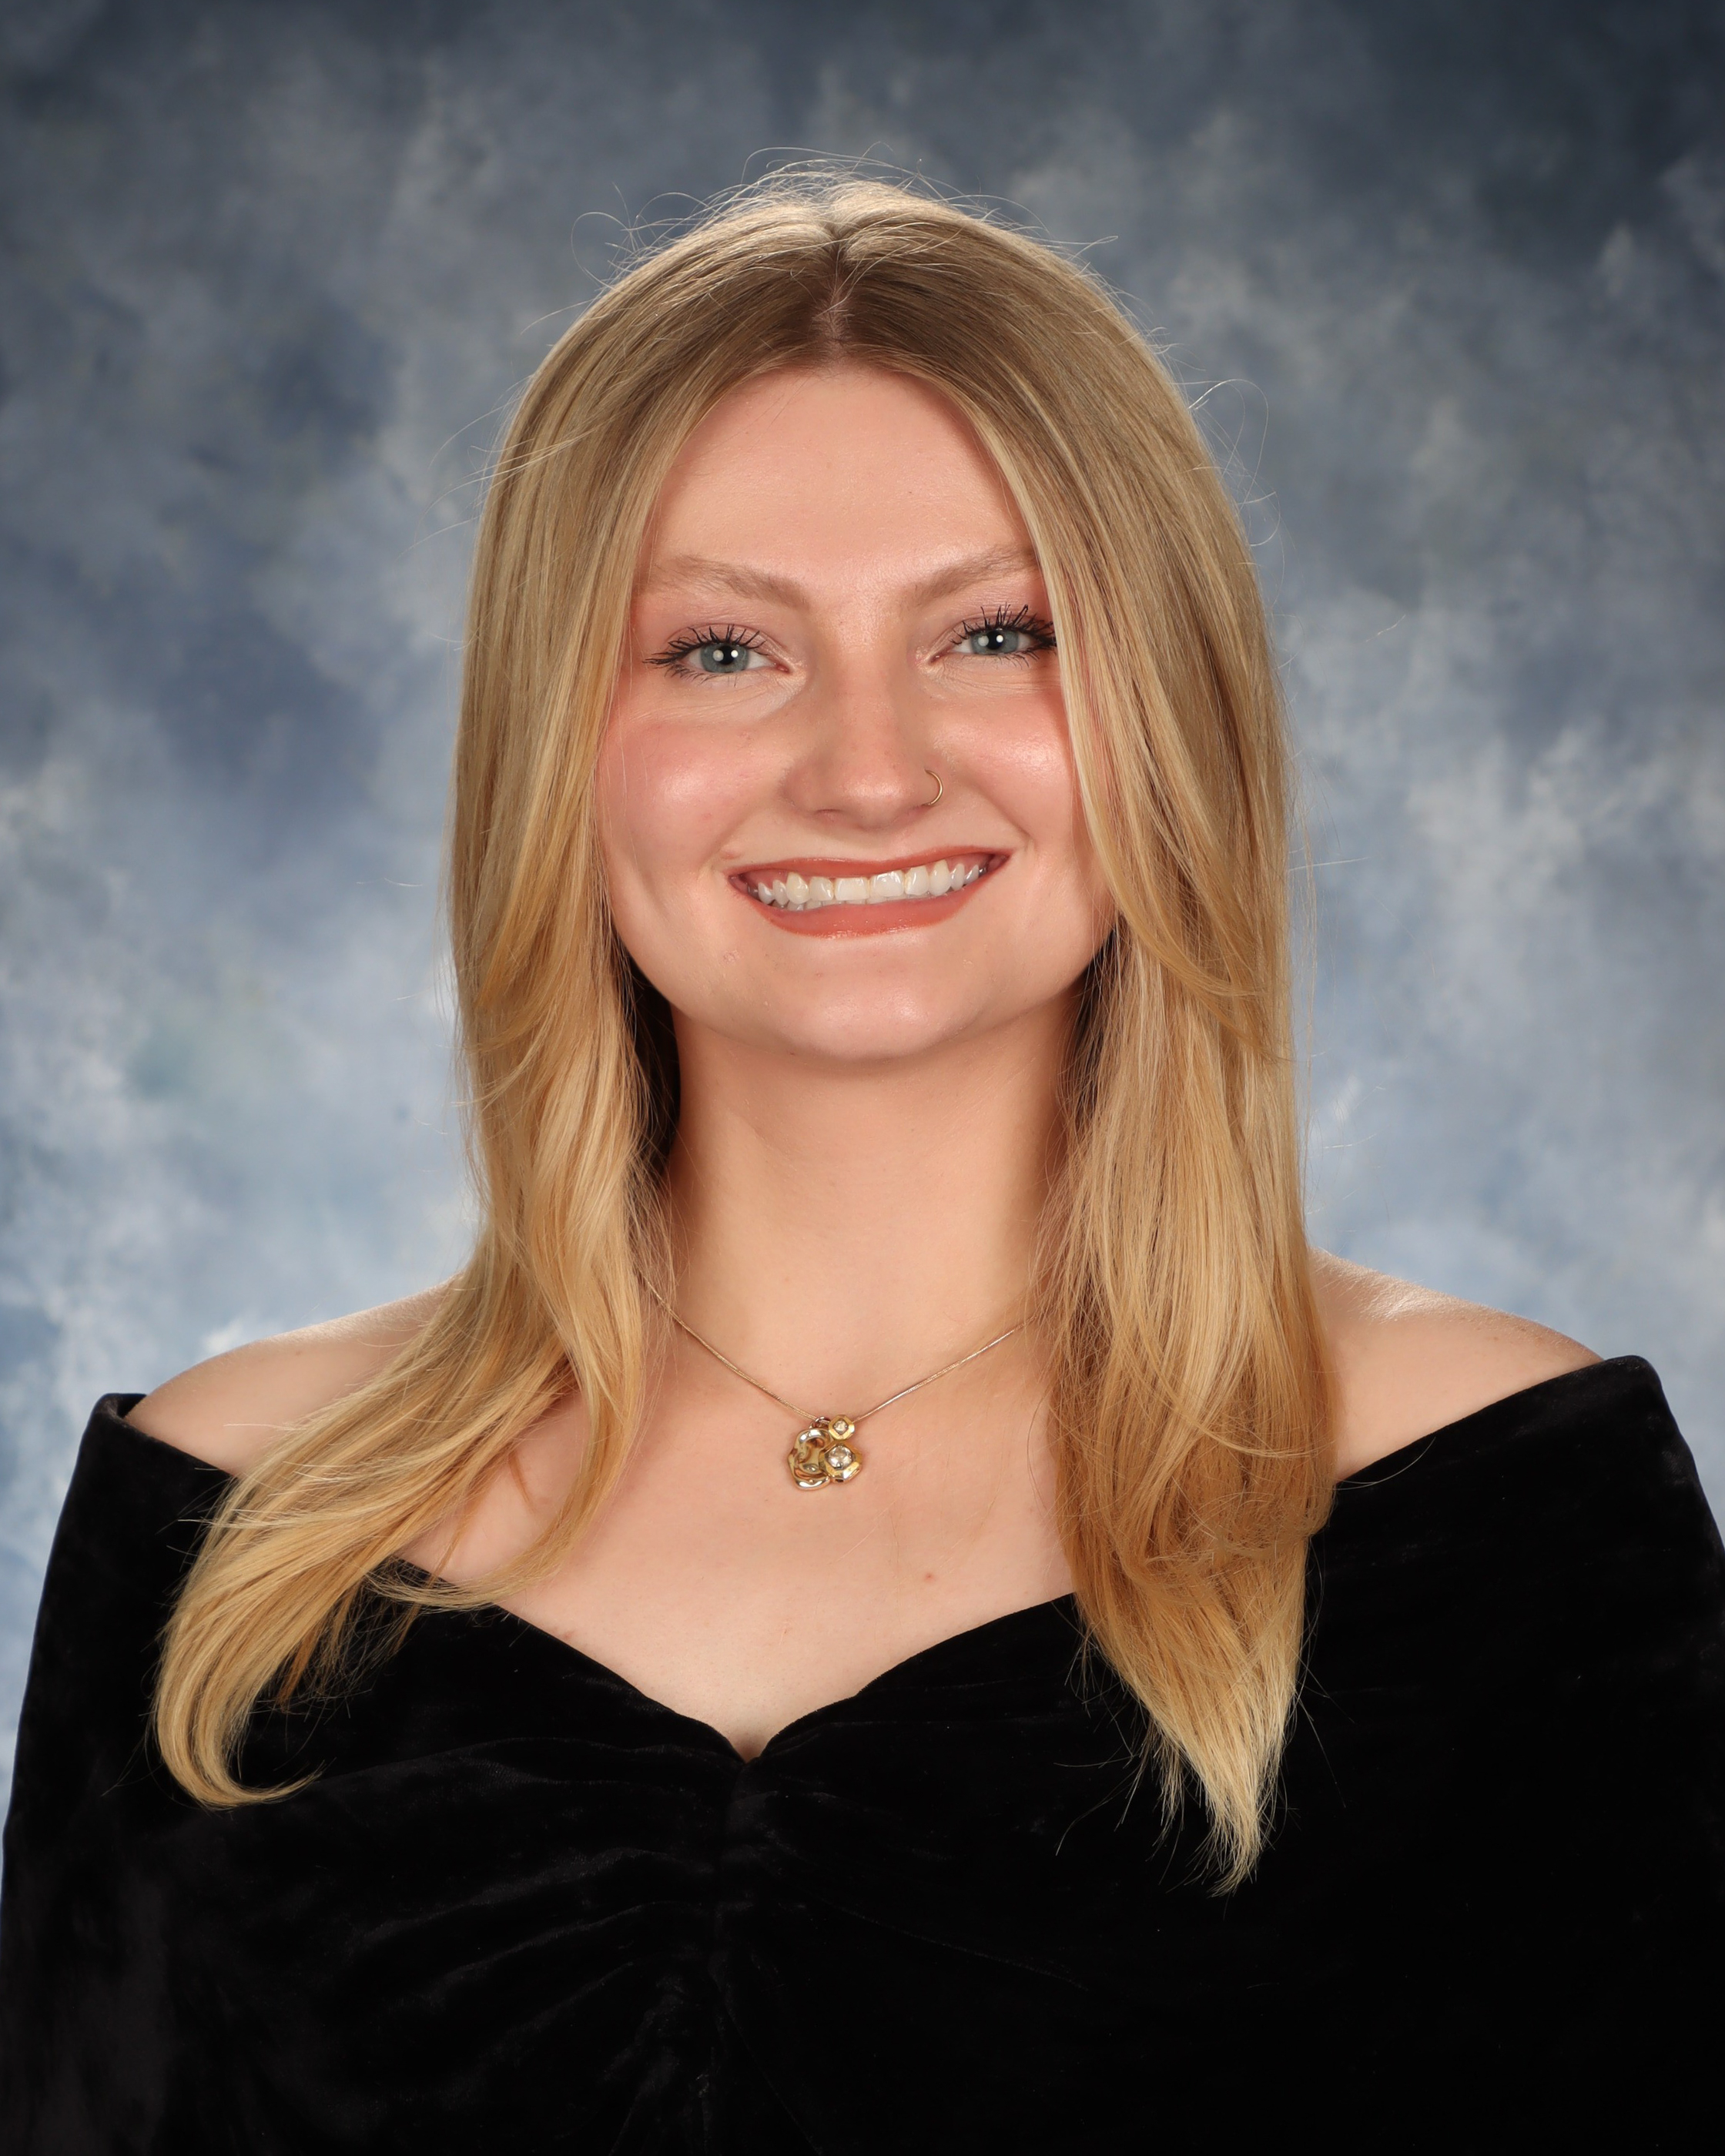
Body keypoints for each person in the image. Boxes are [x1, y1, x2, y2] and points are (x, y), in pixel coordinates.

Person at [2, 176, 1720, 2153]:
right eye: (724, 649)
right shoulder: (235, 1529)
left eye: (997, 632)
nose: (870, 769)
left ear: (1171, 710)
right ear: (559, 742)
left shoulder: (1500, 1505)